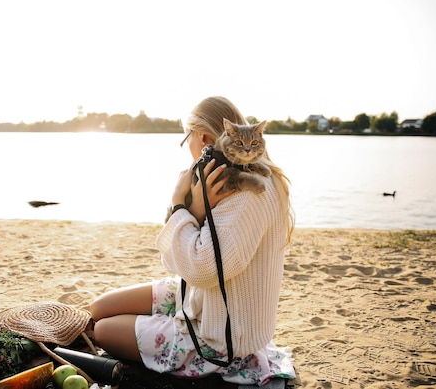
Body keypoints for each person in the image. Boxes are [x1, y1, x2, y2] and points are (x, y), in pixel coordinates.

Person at [89, 96, 295, 385]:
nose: (187, 146)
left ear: (203, 137)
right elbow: (177, 262)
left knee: (103, 331)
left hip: (222, 337)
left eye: (186, 137)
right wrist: (195, 210)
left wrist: (178, 204)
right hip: (204, 299)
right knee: (99, 307)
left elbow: (202, 269)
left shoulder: (245, 193)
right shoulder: (229, 176)